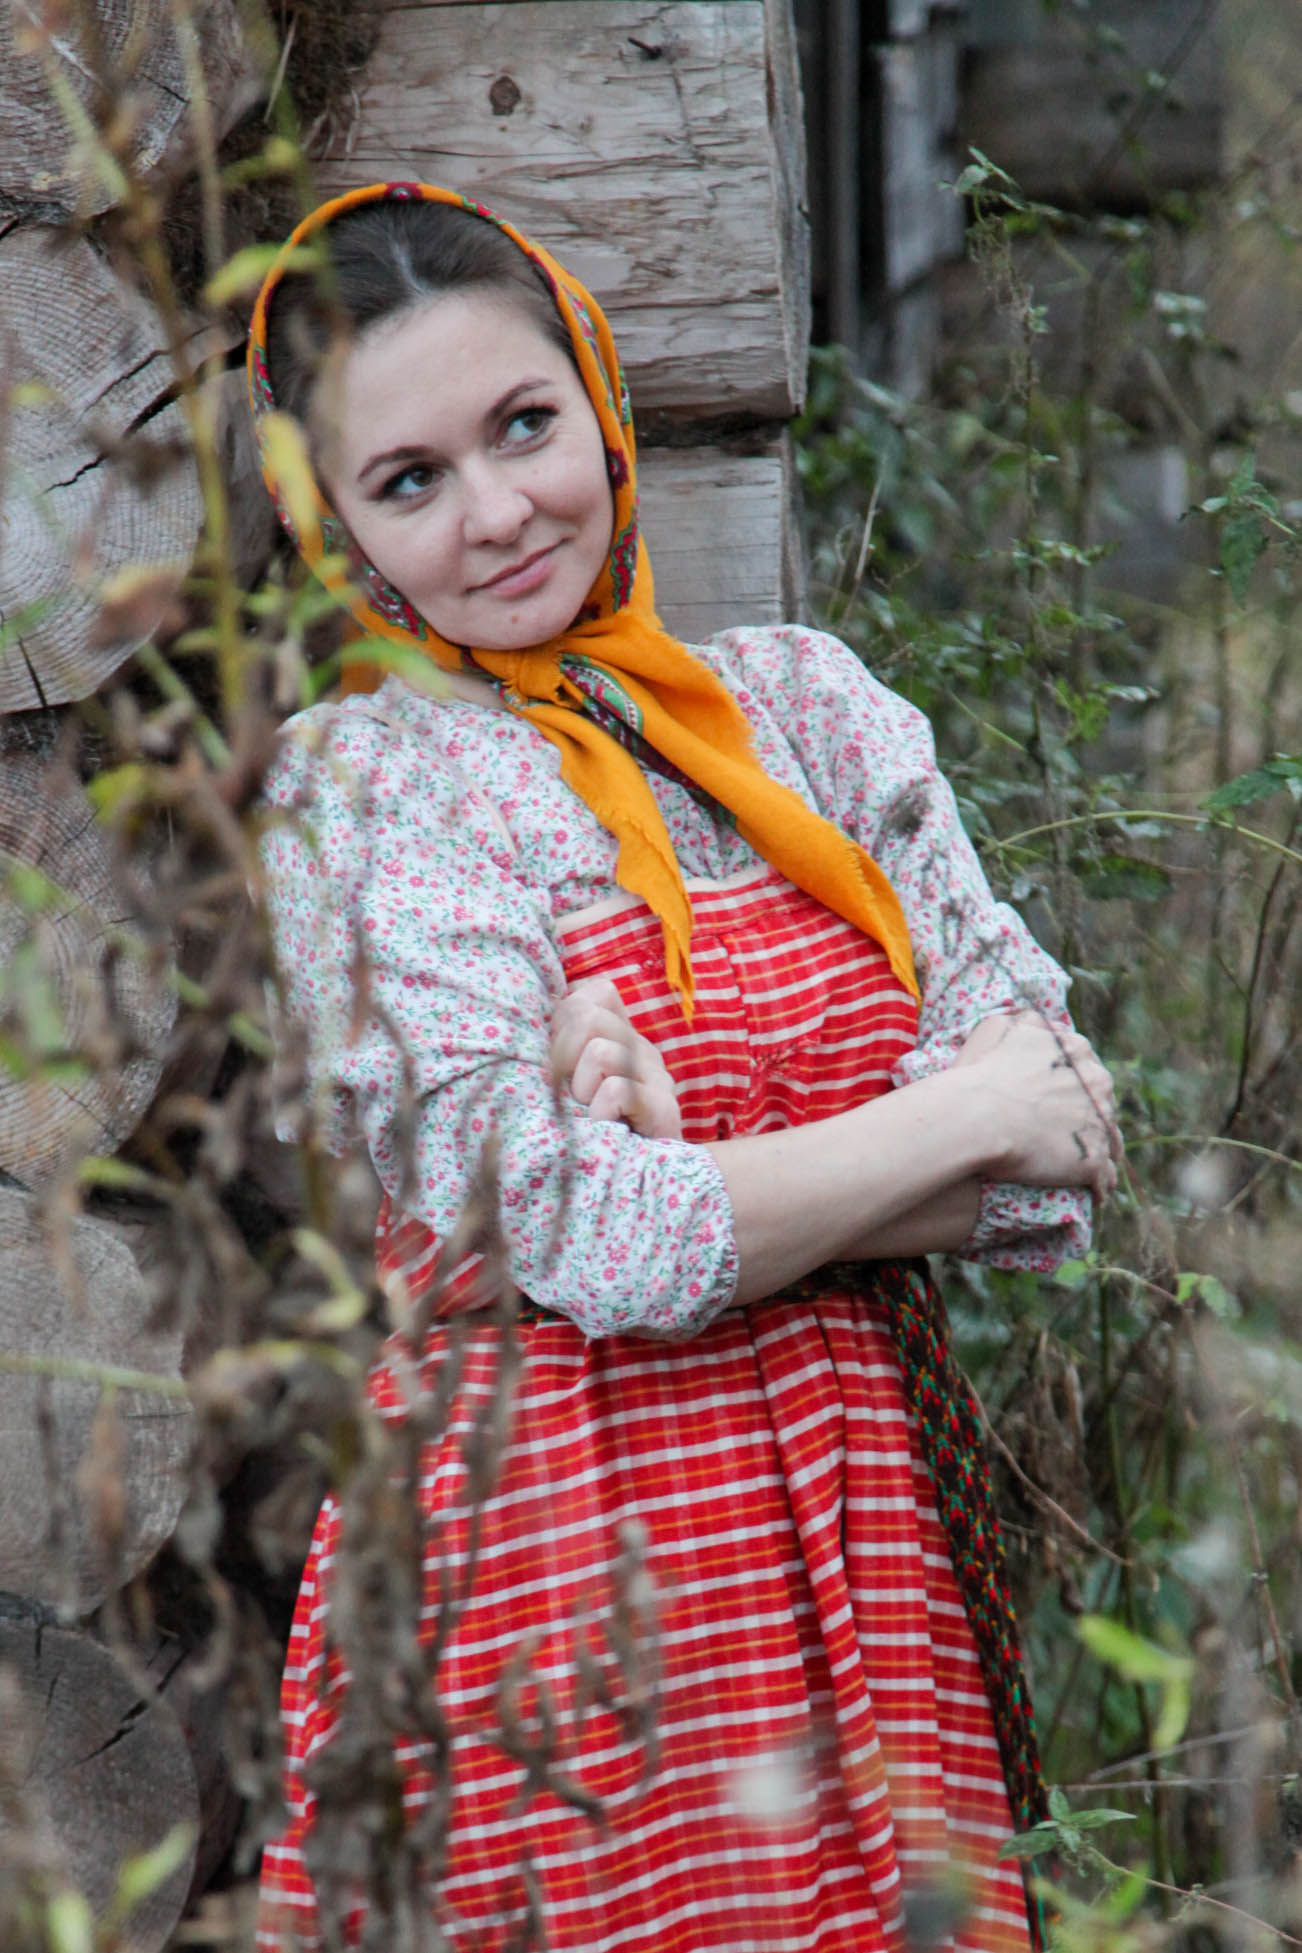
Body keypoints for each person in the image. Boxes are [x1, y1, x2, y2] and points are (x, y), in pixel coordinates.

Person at [248, 181, 1121, 1953]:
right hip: (561, 1579)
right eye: (409, 481)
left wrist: (696, 1184)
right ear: (333, 530)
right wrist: (952, 1115)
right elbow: (583, 1232)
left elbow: (1062, 1158)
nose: (497, 512)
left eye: (523, 424)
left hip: (870, 1535)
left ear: (600, 398)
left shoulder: (807, 710)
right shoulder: (368, 786)